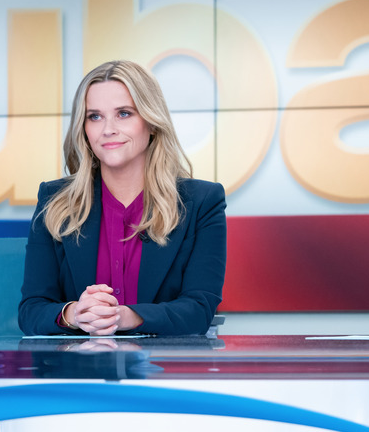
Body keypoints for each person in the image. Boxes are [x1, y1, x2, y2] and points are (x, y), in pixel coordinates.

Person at [19, 60, 226, 336]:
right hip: (77, 371)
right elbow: (31, 310)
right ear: (84, 129)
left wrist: (125, 317)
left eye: (124, 114)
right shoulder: (55, 200)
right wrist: (74, 314)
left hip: (164, 370)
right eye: (94, 116)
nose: (108, 129)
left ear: (151, 123)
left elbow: (199, 310)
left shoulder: (202, 202)